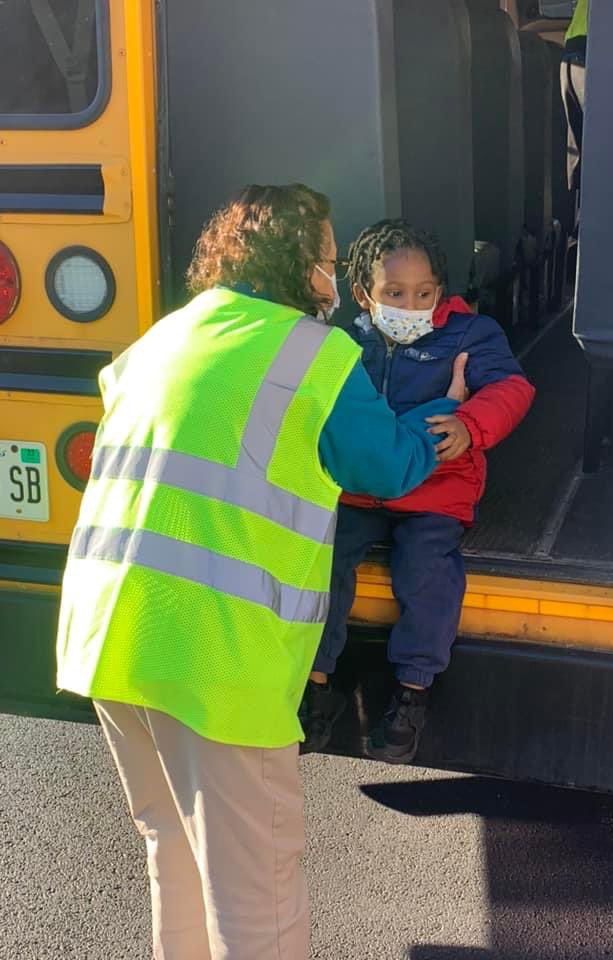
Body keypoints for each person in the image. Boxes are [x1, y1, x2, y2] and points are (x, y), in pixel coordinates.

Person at [55, 185, 468, 960]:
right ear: (303, 264)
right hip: (215, 659)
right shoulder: (315, 355)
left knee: (175, 856)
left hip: (108, 639)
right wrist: (439, 417)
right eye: (328, 256)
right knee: (256, 900)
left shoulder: (167, 335)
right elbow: (386, 464)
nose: (332, 273)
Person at [300, 219, 535, 765]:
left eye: (425, 293)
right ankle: (316, 684)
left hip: (435, 491)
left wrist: (469, 424)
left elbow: (512, 388)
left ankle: (413, 689)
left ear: (441, 291)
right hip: (360, 490)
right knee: (322, 561)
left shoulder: (470, 334)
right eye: (396, 294)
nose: (412, 306)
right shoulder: (343, 343)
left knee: (426, 570)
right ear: (364, 295)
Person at [560, 0, 589, 194]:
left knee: (578, 152)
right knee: (598, 148)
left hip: (570, 54)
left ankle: (580, 208)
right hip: (593, 49)